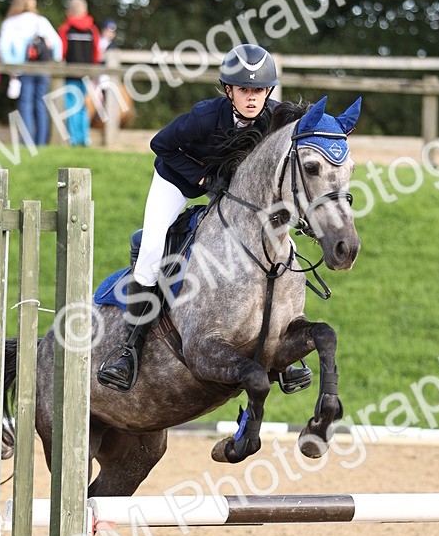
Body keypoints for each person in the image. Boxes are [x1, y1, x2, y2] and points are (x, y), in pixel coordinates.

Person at [98, 43, 312, 395]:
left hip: (230, 192)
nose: (252, 97)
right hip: (178, 180)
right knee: (152, 248)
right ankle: (129, 349)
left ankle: (284, 356)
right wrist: (200, 178)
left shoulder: (274, 119)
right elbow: (160, 144)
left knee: (275, 247)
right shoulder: (204, 116)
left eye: (259, 90)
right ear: (229, 90)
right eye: (244, 89)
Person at [0, 0, 63, 145]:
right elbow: (57, 44)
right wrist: (55, 61)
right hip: (43, 68)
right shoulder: (41, 21)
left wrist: (12, 68)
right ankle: (41, 144)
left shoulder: (10, 24)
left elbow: (4, 49)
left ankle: (27, 143)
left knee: (25, 105)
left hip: (23, 68)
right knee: (40, 104)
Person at [57, 0, 101, 147]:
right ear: (85, 11)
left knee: (71, 105)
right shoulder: (92, 30)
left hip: (71, 74)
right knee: (83, 105)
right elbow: (96, 52)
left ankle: (74, 139)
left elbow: (61, 52)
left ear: (69, 11)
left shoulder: (65, 29)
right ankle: (85, 138)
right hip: (87, 74)